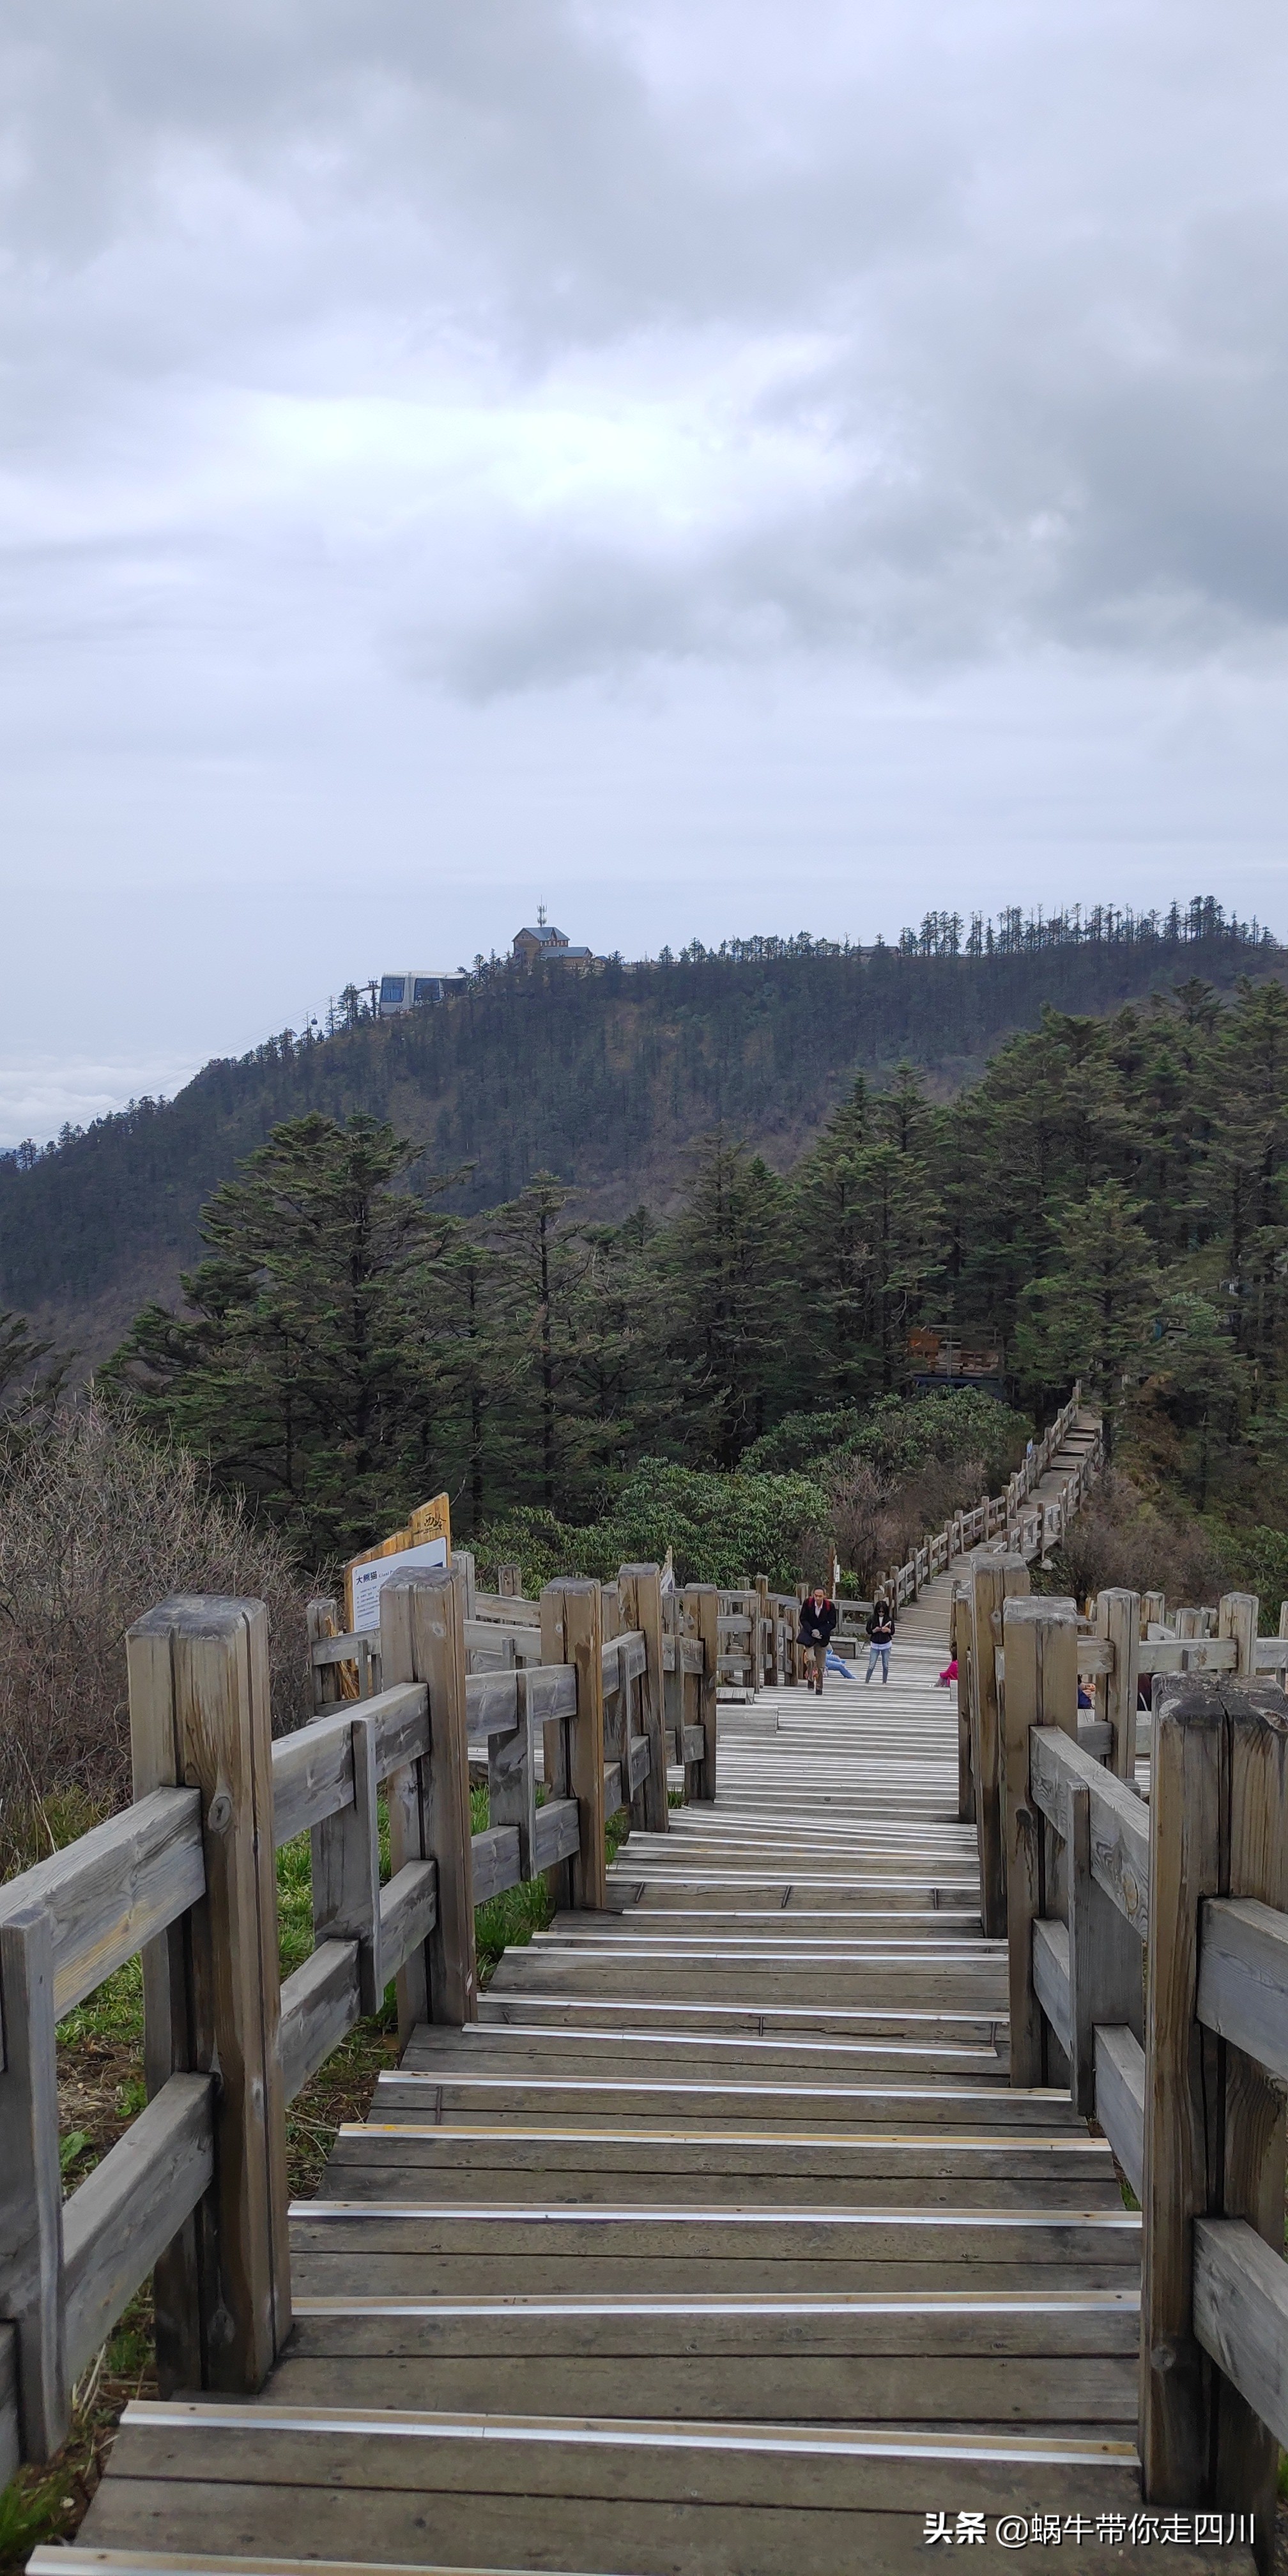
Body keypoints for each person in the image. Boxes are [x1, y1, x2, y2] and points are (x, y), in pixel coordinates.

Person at [797, 1585, 838, 1692]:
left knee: (821, 1664)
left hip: (822, 1637)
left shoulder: (830, 1606)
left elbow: (833, 1623)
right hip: (809, 1636)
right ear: (813, 1595)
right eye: (816, 1596)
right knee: (810, 1658)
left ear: (824, 1596)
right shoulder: (808, 1603)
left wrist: (821, 1631)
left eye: (820, 1596)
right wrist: (811, 1630)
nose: (818, 1598)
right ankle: (810, 1677)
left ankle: (819, 1687)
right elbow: (803, 1618)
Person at [866, 1597, 895, 1685]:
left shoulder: (889, 1620)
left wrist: (888, 1630)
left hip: (886, 1644)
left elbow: (893, 1631)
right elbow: (868, 1630)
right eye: (879, 1612)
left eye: (883, 1612)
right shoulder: (872, 1619)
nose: (881, 1613)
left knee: (885, 1665)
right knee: (871, 1665)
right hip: (875, 1644)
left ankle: (884, 1682)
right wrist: (874, 1630)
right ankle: (867, 1681)